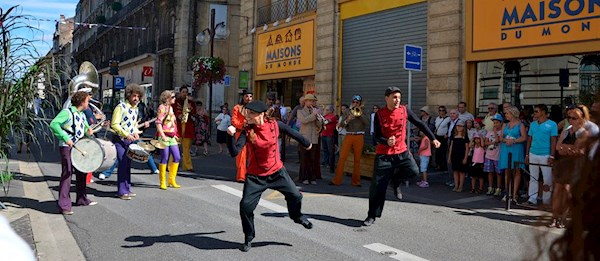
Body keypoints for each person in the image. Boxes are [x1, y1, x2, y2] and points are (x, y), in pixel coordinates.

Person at [226, 100, 313, 252]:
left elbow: (292, 132)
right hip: (255, 176)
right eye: (247, 113)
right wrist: (229, 137)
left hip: (277, 172)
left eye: (251, 114)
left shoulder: (274, 125)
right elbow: (235, 152)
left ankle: (297, 216)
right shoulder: (247, 131)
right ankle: (249, 236)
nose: (247, 116)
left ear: (260, 115)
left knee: (296, 196)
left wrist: (306, 143)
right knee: (245, 207)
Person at [363, 86, 440, 226]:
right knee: (377, 187)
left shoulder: (405, 110)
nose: (397, 100)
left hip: (401, 152)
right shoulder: (379, 114)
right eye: (394, 97)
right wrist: (385, 141)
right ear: (386, 98)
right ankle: (371, 215)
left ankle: (395, 181)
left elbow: (420, 123)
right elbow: (376, 137)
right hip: (384, 154)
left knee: (414, 172)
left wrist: (433, 138)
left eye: (399, 97)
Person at [49, 91, 97, 214]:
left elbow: (85, 128)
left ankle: (82, 199)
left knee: (82, 172)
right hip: (67, 146)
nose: (88, 103)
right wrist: (65, 138)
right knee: (67, 174)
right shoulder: (67, 112)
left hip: (79, 146)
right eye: (87, 101)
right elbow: (54, 124)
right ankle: (64, 205)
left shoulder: (81, 114)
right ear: (82, 102)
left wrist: (89, 131)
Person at [110, 83, 145, 200]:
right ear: (129, 95)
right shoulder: (120, 107)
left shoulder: (136, 109)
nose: (136, 99)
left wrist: (135, 132)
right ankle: (121, 191)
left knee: (128, 164)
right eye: (134, 96)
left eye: (138, 97)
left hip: (130, 140)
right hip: (119, 140)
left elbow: (134, 124)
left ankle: (127, 189)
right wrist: (126, 134)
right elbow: (114, 124)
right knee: (123, 164)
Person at [524, 104, 558, 207]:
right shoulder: (533, 124)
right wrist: (527, 154)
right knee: (533, 177)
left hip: (546, 154)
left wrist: (552, 156)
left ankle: (546, 201)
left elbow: (553, 141)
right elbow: (529, 139)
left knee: (547, 178)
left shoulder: (552, 124)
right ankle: (532, 198)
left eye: (536, 111)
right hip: (533, 153)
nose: (534, 113)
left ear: (543, 112)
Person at [330, 95, 368, 186]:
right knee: (342, 157)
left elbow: (367, 122)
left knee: (357, 159)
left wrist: (360, 114)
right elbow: (341, 125)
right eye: (354, 102)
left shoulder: (364, 111)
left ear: (360, 103)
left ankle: (356, 182)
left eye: (357, 102)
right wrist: (348, 119)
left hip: (359, 136)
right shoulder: (347, 112)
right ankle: (337, 180)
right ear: (352, 102)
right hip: (349, 135)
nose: (355, 104)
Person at [498, 105, 527, 203]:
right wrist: (505, 139)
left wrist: (514, 141)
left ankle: (514, 194)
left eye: (507, 113)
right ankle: (508, 193)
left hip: (516, 148)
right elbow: (500, 137)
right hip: (506, 148)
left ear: (513, 113)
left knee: (517, 171)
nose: (505, 115)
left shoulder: (520, 125)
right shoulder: (505, 125)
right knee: (507, 171)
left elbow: (524, 137)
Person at [155, 90, 181, 190]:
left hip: (172, 136)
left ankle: (171, 179)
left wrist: (175, 134)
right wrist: (162, 135)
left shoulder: (171, 108)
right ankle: (162, 181)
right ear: (167, 98)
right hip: (164, 136)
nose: (175, 99)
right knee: (164, 157)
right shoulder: (162, 108)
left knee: (177, 157)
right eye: (173, 97)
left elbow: (173, 123)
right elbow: (158, 122)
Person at [297, 94, 322, 184]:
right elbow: (304, 121)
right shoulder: (300, 111)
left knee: (312, 159)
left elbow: (319, 125)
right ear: (306, 102)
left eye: (313, 101)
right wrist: (313, 115)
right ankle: (304, 178)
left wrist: (319, 119)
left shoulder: (315, 112)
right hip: (304, 137)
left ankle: (312, 178)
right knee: (304, 158)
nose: (313, 103)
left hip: (314, 138)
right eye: (311, 101)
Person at [173, 85, 197, 171]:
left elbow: (194, 113)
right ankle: (171, 165)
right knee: (175, 147)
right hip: (178, 127)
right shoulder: (176, 101)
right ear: (180, 93)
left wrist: (191, 109)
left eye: (186, 92)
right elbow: (173, 111)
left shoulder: (191, 102)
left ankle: (188, 166)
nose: (184, 94)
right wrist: (178, 115)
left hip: (187, 126)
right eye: (183, 92)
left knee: (186, 148)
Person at [232, 90, 253, 182]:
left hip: (252, 133)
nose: (249, 98)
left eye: (250, 96)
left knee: (252, 154)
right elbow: (234, 120)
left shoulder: (254, 108)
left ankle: (251, 174)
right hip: (240, 133)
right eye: (247, 96)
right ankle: (241, 176)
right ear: (243, 97)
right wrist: (242, 124)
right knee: (241, 154)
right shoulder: (237, 107)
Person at [484, 114, 504, 196]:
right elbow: (485, 142)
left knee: (498, 173)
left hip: (497, 155)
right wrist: (491, 142)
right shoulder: (489, 132)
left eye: (497, 123)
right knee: (490, 172)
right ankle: (490, 187)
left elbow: (498, 140)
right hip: (489, 155)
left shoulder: (501, 132)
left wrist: (495, 132)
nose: (495, 125)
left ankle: (498, 188)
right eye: (494, 123)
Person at [448, 120, 469, 192]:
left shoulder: (465, 136)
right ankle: (456, 185)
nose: (459, 127)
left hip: (462, 155)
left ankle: (460, 186)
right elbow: (451, 147)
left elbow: (467, 148)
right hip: (454, 155)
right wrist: (449, 157)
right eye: (457, 126)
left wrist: (465, 157)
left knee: (461, 172)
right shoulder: (454, 136)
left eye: (460, 126)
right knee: (455, 171)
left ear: (463, 127)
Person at [320, 105, 338, 173]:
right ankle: (326, 162)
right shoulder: (325, 116)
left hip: (330, 135)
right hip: (324, 134)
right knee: (325, 150)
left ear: (331, 110)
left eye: (327, 110)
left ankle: (331, 164)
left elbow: (326, 122)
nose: (326, 111)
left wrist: (322, 116)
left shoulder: (333, 116)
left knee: (330, 151)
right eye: (326, 110)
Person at [434, 106, 450, 171]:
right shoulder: (437, 118)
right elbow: (436, 126)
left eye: (443, 110)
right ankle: (438, 165)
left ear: (445, 111)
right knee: (438, 152)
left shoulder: (448, 118)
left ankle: (444, 166)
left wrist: (447, 134)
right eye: (440, 110)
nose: (441, 112)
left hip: (444, 137)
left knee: (443, 152)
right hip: (437, 136)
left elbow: (450, 127)